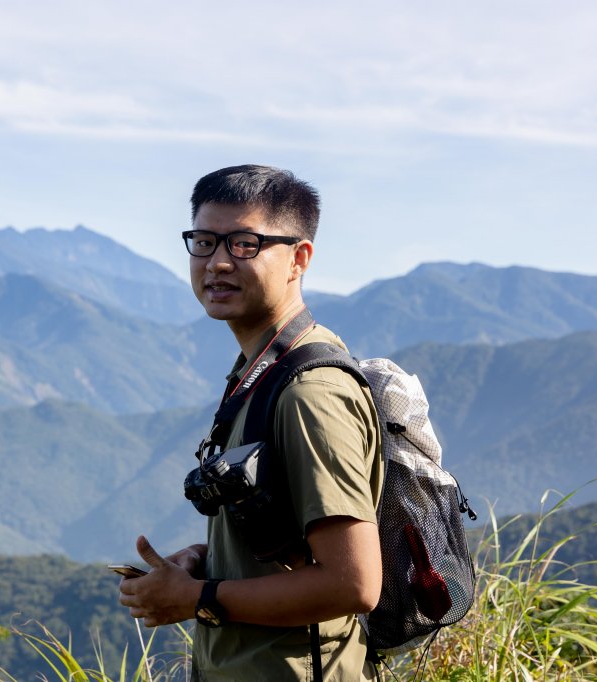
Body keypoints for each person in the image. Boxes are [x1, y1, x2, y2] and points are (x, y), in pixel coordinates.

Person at [118, 164, 384, 681]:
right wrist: (204, 558)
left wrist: (196, 598)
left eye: (244, 244)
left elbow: (353, 584)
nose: (217, 262)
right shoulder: (261, 369)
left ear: (298, 258)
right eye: (204, 241)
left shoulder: (310, 392)